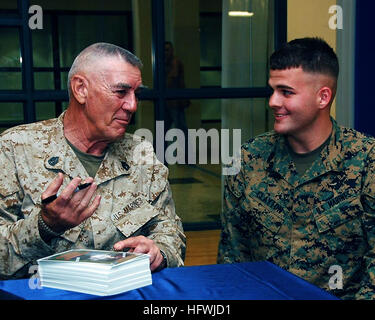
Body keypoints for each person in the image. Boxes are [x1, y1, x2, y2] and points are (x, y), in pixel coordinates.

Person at [0, 43, 186, 279]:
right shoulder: (15, 149)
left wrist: (159, 253)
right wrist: (44, 227)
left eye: (136, 94)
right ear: (80, 89)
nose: (132, 106)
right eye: (121, 92)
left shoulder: (141, 153)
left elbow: (170, 231)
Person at [217, 37, 375, 300]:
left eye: (286, 92)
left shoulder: (367, 160)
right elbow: (233, 256)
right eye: (272, 90)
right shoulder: (248, 159)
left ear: (322, 97)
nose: (273, 101)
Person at [164, 41, 190, 163]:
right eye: (164, 50)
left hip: (175, 102)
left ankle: (186, 157)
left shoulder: (174, 62)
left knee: (181, 130)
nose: (166, 52)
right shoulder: (164, 63)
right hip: (168, 102)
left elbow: (172, 79)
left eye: (168, 50)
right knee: (164, 130)